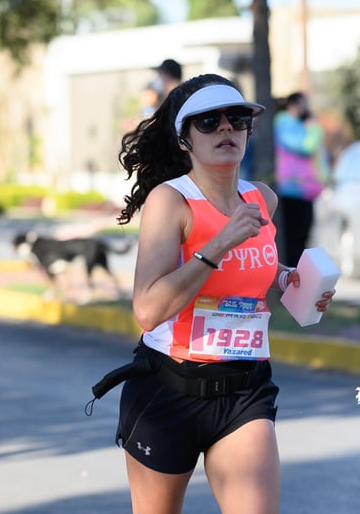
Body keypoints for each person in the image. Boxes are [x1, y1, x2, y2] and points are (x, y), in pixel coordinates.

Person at [105, 74, 335, 514]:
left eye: (237, 119)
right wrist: (218, 243)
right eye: (208, 121)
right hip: (169, 387)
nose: (226, 128)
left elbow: (255, 267)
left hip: (243, 389)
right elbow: (148, 309)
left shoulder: (261, 199)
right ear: (185, 139)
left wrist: (290, 280)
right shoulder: (170, 202)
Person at [273, 92, 328, 267]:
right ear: (293, 105)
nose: (307, 108)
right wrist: (314, 128)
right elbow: (306, 147)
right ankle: (292, 280)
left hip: (305, 191)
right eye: (304, 103)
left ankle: (298, 280)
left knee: (301, 240)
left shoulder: (298, 124)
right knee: (294, 242)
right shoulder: (284, 123)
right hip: (292, 190)